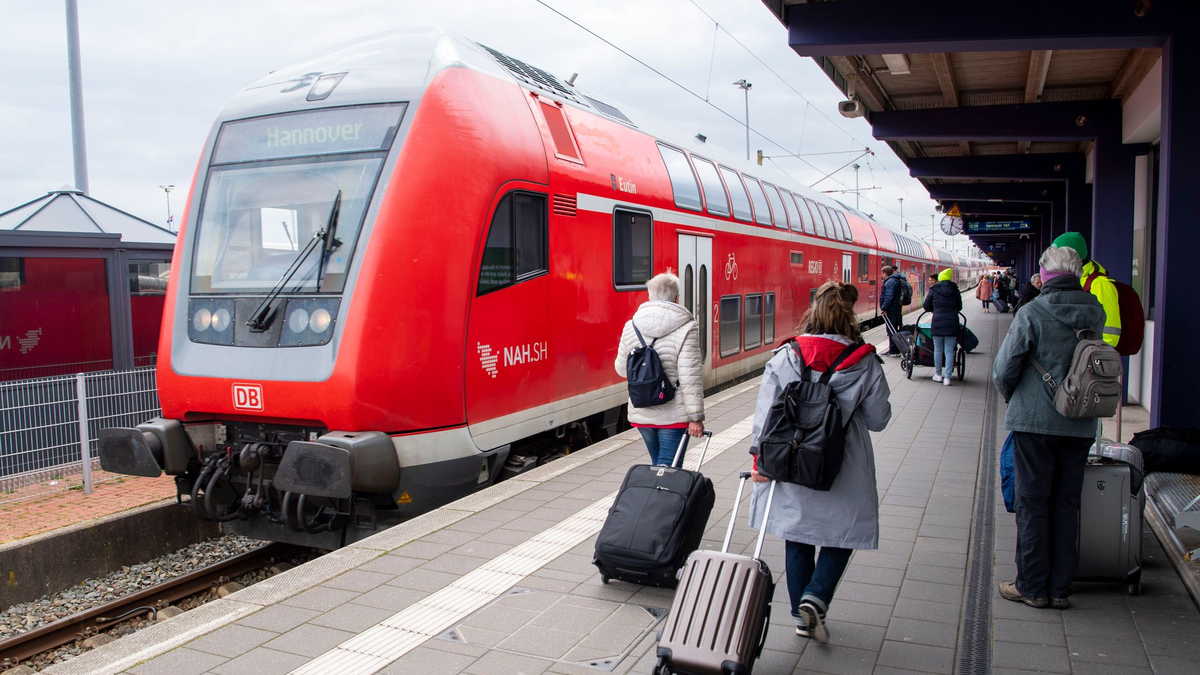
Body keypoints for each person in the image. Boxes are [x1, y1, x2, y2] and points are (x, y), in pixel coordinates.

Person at [747, 282, 892, 643]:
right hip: (843, 461)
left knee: (797, 537)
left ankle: (800, 615)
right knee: (841, 534)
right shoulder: (866, 361)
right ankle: (817, 595)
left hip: (792, 460)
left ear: (812, 314)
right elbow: (878, 419)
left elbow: (764, 414)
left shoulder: (786, 356)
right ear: (850, 317)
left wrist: (758, 459)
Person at [992, 245, 1105, 609]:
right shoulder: (1095, 311)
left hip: (1036, 423)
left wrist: (1017, 398)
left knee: (1033, 502)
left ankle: (1032, 586)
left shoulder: (1033, 310)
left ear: (1046, 272)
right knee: (1066, 504)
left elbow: (1003, 369)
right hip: (1081, 420)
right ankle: (1059, 588)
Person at [614, 271, 704, 466]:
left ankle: (657, 495)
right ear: (677, 297)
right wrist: (696, 417)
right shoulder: (687, 326)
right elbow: (690, 376)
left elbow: (621, 369)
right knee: (668, 470)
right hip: (674, 413)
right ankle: (665, 496)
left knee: (659, 466)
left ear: (650, 295)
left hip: (642, 411)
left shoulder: (632, 325)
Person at [1052, 232, 1120, 347]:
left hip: (1088, 359)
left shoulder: (1100, 285)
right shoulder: (1074, 280)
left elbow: (1110, 332)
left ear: (1070, 256)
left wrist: (1096, 357)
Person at [923, 268, 963, 386]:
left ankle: (938, 375)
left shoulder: (934, 290)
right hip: (952, 322)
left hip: (938, 322)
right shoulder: (955, 290)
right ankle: (948, 378)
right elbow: (959, 307)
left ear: (939, 279)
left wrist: (935, 309)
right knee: (950, 351)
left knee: (938, 350)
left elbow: (926, 306)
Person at [879, 266, 908, 356]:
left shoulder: (890, 282)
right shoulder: (895, 280)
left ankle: (894, 350)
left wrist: (884, 308)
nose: (882, 275)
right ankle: (895, 349)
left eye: (882, 273)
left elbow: (889, 297)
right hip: (896, 308)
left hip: (891, 309)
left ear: (885, 273)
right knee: (894, 329)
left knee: (891, 330)